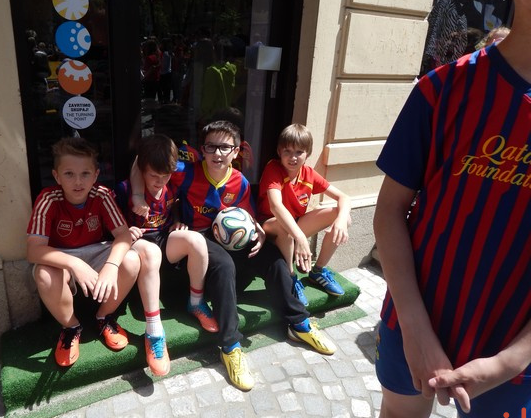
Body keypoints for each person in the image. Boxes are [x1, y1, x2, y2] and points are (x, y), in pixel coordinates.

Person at [372, 0, 531, 418]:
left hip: (515, 349)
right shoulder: (442, 90)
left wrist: (514, 358)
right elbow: (389, 211)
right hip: (414, 321)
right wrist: (416, 330)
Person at [132, 120, 337, 392]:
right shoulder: (187, 172)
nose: (217, 153)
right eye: (211, 147)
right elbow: (141, 162)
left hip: (233, 235)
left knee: (273, 257)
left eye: (225, 147)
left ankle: (299, 322)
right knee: (224, 265)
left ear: (236, 151)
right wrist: (138, 195)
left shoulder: (239, 181)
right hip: (200, 239)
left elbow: (248, 215)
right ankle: (230, 346)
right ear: (202, 150)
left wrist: (259, 232)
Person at [27, 137, 145, 369]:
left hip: (95, 251)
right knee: (44, 275)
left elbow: (123, 235)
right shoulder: (48, 198)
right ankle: (71, 327)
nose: (78, 181)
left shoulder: (101, 194)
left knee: (131, 260)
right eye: (69, 174)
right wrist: (75, 264)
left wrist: (111, 266)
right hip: (61, 255)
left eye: (85, 174)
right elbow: (33, 250)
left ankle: (103, 317)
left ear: (96, 175)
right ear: (57, 176)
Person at [115, 134, 218, 335]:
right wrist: (124, 230)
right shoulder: (126, 188)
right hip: (139, 244)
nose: (160, 180)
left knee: (196, 240)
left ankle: (196, 302)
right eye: (154, 175)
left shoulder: (172, 185)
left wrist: (178, 219)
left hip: (164, 239)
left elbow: (175, 204)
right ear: (142, 169)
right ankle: (154, 329)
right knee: (150, 251)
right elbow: (111, 217)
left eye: (165, 175)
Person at [257, 124, 351, 305]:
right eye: (287, 151)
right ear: (279, 151)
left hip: (294, 225)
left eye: (299, 152)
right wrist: (300, 237)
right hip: (269, 228)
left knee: (344, 216)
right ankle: (290, 277)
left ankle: (318, 270)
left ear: (307, 154)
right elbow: (276, 207)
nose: (293, 157)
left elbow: (344, 197)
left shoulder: (308, 174)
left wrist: (340, 221)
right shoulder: (273, 169)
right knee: (285, 226)